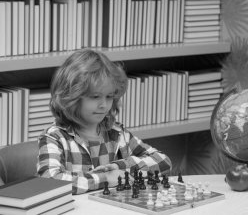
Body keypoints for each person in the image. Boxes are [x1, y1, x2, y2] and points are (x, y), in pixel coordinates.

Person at [37, 49, 172, 194]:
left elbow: (163, 161)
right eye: (95, 96)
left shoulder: (117, 133)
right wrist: (106, 178)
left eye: (109, 96)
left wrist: (119, 167)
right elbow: (49, 181)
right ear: (71, 97)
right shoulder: (54, 137)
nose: (104, 105)